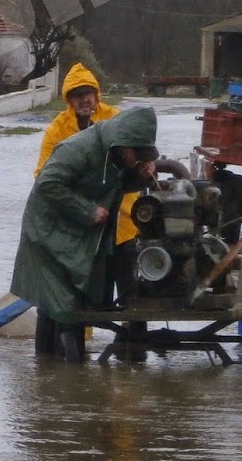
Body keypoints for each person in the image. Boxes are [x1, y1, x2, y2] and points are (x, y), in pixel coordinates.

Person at [12, 106, 159, 361]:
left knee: (72, 301)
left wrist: (141, 177)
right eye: (136, 155)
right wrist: (88, 210)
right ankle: (55, 367)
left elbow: (118, 186)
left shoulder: (114, 156)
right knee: (58, 302)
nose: (136, 159)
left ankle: (56, 372)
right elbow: (47, 184)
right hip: (48, 232)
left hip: (76, 233)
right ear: (125, 146)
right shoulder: (76, 149)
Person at [31, 64, 141, 354]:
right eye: (77, 95)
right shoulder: (58, 129)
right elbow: (44, 177)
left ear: (96, 94)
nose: (84, 100)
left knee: (131, 290)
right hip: (75, 230)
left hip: (120, 223)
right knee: (66, 294)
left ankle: (134, 347)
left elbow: (135, 161)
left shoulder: (115, 120)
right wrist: (80, 208)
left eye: (88, 94)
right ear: (69, 99)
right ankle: (58, 353)